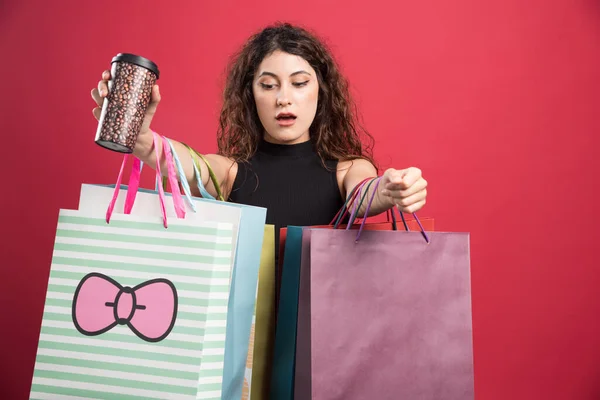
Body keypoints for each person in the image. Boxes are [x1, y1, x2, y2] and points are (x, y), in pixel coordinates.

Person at [91, 23, 428, 245]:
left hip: (329, 340)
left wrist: (392, 189)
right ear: (251, 94)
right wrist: (140, 137)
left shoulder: (348, 170)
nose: (284, 97)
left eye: (299, 83)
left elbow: (364, 195)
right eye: (268, 85)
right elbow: (180, 162)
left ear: (320, 91)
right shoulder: (228, 172)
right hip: (244, 341)